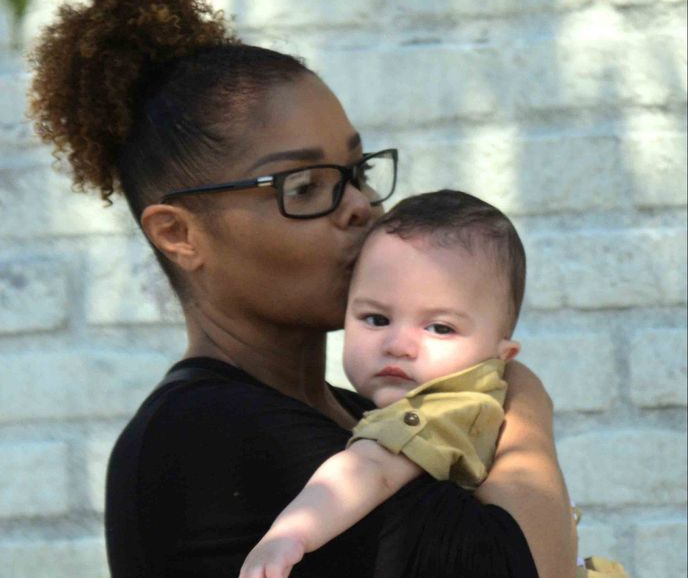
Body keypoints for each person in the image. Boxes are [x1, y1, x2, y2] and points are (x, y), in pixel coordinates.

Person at [27, 0, 576, 576]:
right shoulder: (206, 431)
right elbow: (530, 567)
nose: (362, 206)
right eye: (307, 186)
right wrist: (523, 399)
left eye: (357, 173)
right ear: (179, 234)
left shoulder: (359, 410)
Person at [240, 191, 630, 578]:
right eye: (376, 319)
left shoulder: (448, 404)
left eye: (440, 328)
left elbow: (371, 468)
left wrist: (290, 534)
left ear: (503, 356)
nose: (399, 346)